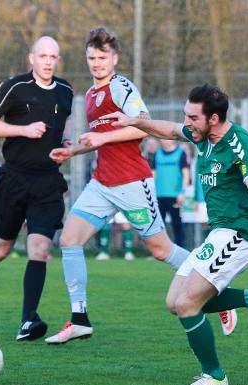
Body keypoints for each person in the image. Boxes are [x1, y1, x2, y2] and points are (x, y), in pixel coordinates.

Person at [103, 84, 248, 385]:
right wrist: (134, 121)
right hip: (219, 233)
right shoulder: (200, 136)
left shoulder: (238, 142)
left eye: (193, 117)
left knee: (187, 304)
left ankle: (215, 376)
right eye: (187, 115)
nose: (187, 122)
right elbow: (170, 130)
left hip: (241, 232)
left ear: (214, 119)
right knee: (174, 302)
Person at [45, 27, 192, 344]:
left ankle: (212, 282)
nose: (96, 63)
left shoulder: (121, 86)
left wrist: (102, 138)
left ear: (115, 58)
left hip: (133, 182)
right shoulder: (90, 94)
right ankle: (79, 319)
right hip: (102, 183)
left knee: (161, 250)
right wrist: (73, 151)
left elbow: (143, 125)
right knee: (69, 239)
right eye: (91, 58)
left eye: (102, 57)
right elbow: (99, 140)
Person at [0, 36, 74, 342]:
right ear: (31, 58)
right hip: (15, 180)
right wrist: (23, 130)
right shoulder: (16, 86)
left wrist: (67, 146)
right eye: (43, 56)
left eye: (53, 57)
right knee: (1, 248)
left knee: (40, 248)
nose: (48, 62)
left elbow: (63, 128)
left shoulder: (66, 91)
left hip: (47, 182)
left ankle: (27, 320)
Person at [152, 138, 190, 248]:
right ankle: (160, 250)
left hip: (175, 195)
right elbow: (153, 174)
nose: (165, 140)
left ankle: (181, 249)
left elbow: (186, 174)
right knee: (159, 226)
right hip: (159, 195)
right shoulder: (157, 154)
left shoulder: (181, 153)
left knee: (177, 225)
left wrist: (182, 192)